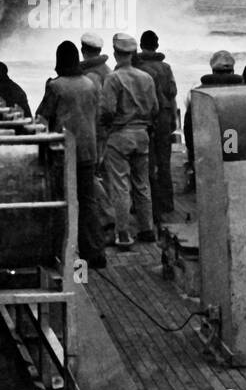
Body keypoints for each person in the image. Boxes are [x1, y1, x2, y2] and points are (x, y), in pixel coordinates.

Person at [36, 42, 105, 267]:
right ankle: (94, 253)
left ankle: (65, 251)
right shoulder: (90, 84)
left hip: (64, 152)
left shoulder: (56, 87)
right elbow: (98, 115)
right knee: (88, 201)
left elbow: (42, 118)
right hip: (89, 150)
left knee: (62, 201)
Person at [99, 32, 158, 247]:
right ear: (133, 53)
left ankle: (123, 233)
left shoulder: (113, 78)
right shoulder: (146, 78)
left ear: (115, 53)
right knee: (142, 184)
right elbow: (155, 108)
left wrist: (106, 128)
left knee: (120, 186)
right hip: (142, 135)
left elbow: (107, 110)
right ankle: (147, 229)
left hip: (120, 135)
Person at [184, 50, 244, 190]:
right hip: (232, 139)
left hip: (206, 142)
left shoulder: (198, 93)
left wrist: (192, 152)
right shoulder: (242, 91)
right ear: (232, 70)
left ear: (212, 70)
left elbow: (188, 127)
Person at [134, 30, 178, 217]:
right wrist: (173, 120)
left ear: (141, 46)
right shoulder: (165, 68)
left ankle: (146, 203)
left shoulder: (136, 67)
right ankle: (167, 203)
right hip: (164, 117)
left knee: (145, 162)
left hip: (144, 119)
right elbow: (172, 93)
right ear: (157, 45)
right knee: (164, 160)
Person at [79, 31, 114, 235]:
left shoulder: (91, 75)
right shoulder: (107, 70)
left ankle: (108, 217)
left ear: (84, 51)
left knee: (92, 175)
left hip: (95, 130)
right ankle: (114, 214)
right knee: (106, 174)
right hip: (107, 129)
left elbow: (96, 106)